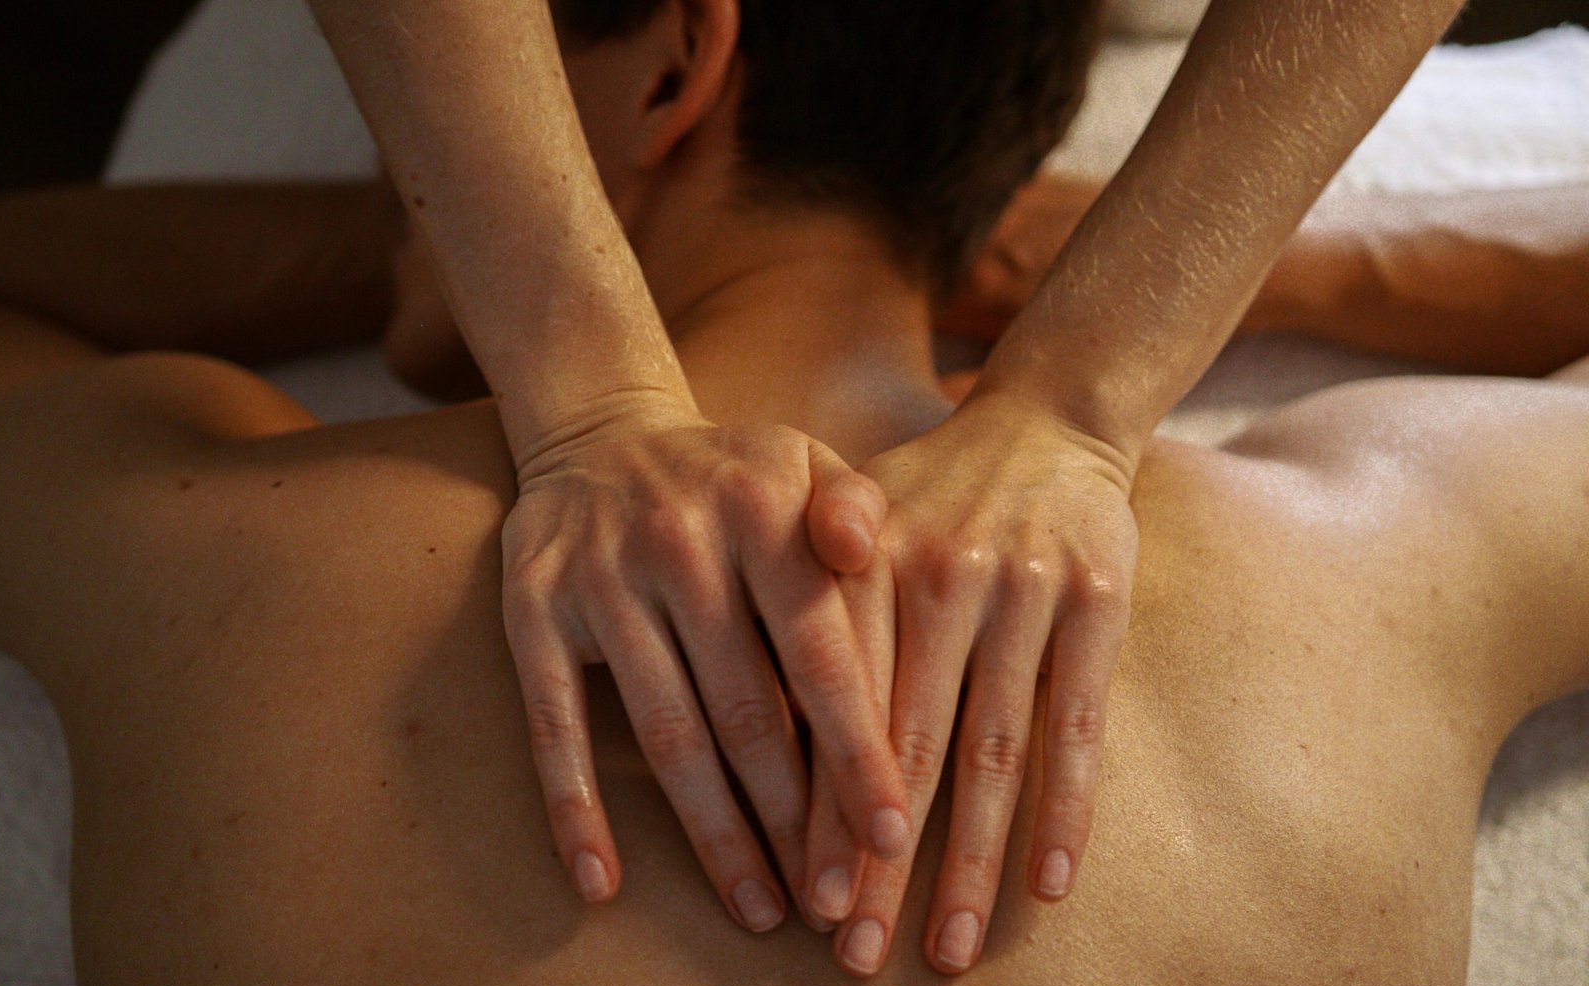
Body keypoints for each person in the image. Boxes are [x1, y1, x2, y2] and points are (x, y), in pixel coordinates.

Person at [302, 0, 1474, 938]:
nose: (387, 149)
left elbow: (107, 264)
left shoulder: (226, 533)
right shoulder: (1359, 555)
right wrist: (1200, 303)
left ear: (673, 66)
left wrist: (1083, 387)